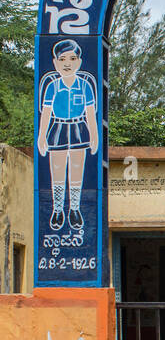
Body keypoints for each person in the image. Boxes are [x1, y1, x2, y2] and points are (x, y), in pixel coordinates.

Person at [37, 38, 99, 233]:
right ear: (55, 62)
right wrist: (41, 137)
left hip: (79, 130)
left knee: (76, 171)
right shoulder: (52, 86)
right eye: (62, 59)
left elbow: (90, 114)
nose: (67, 63)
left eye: (72, 58)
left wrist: (95, 136)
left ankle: (74, 209)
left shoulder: (85, 86)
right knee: (57, 171)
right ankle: (57, 210)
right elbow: (46, 113)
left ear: (79, 62)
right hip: (58, 130)